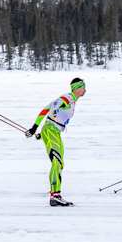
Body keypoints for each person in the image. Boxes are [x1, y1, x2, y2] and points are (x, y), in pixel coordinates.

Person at [26, 77, 87, 207]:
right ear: (76, 88)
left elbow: (55, 116)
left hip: (54, 132)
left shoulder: (73, 101)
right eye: (82, 87)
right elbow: (47, 110)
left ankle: (55, 194)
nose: (85, 89)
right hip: (50, 131)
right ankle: (55, 195)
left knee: (60, 164)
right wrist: (34, 128)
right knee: (57, 161)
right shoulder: (67, 98)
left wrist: (41, 134)